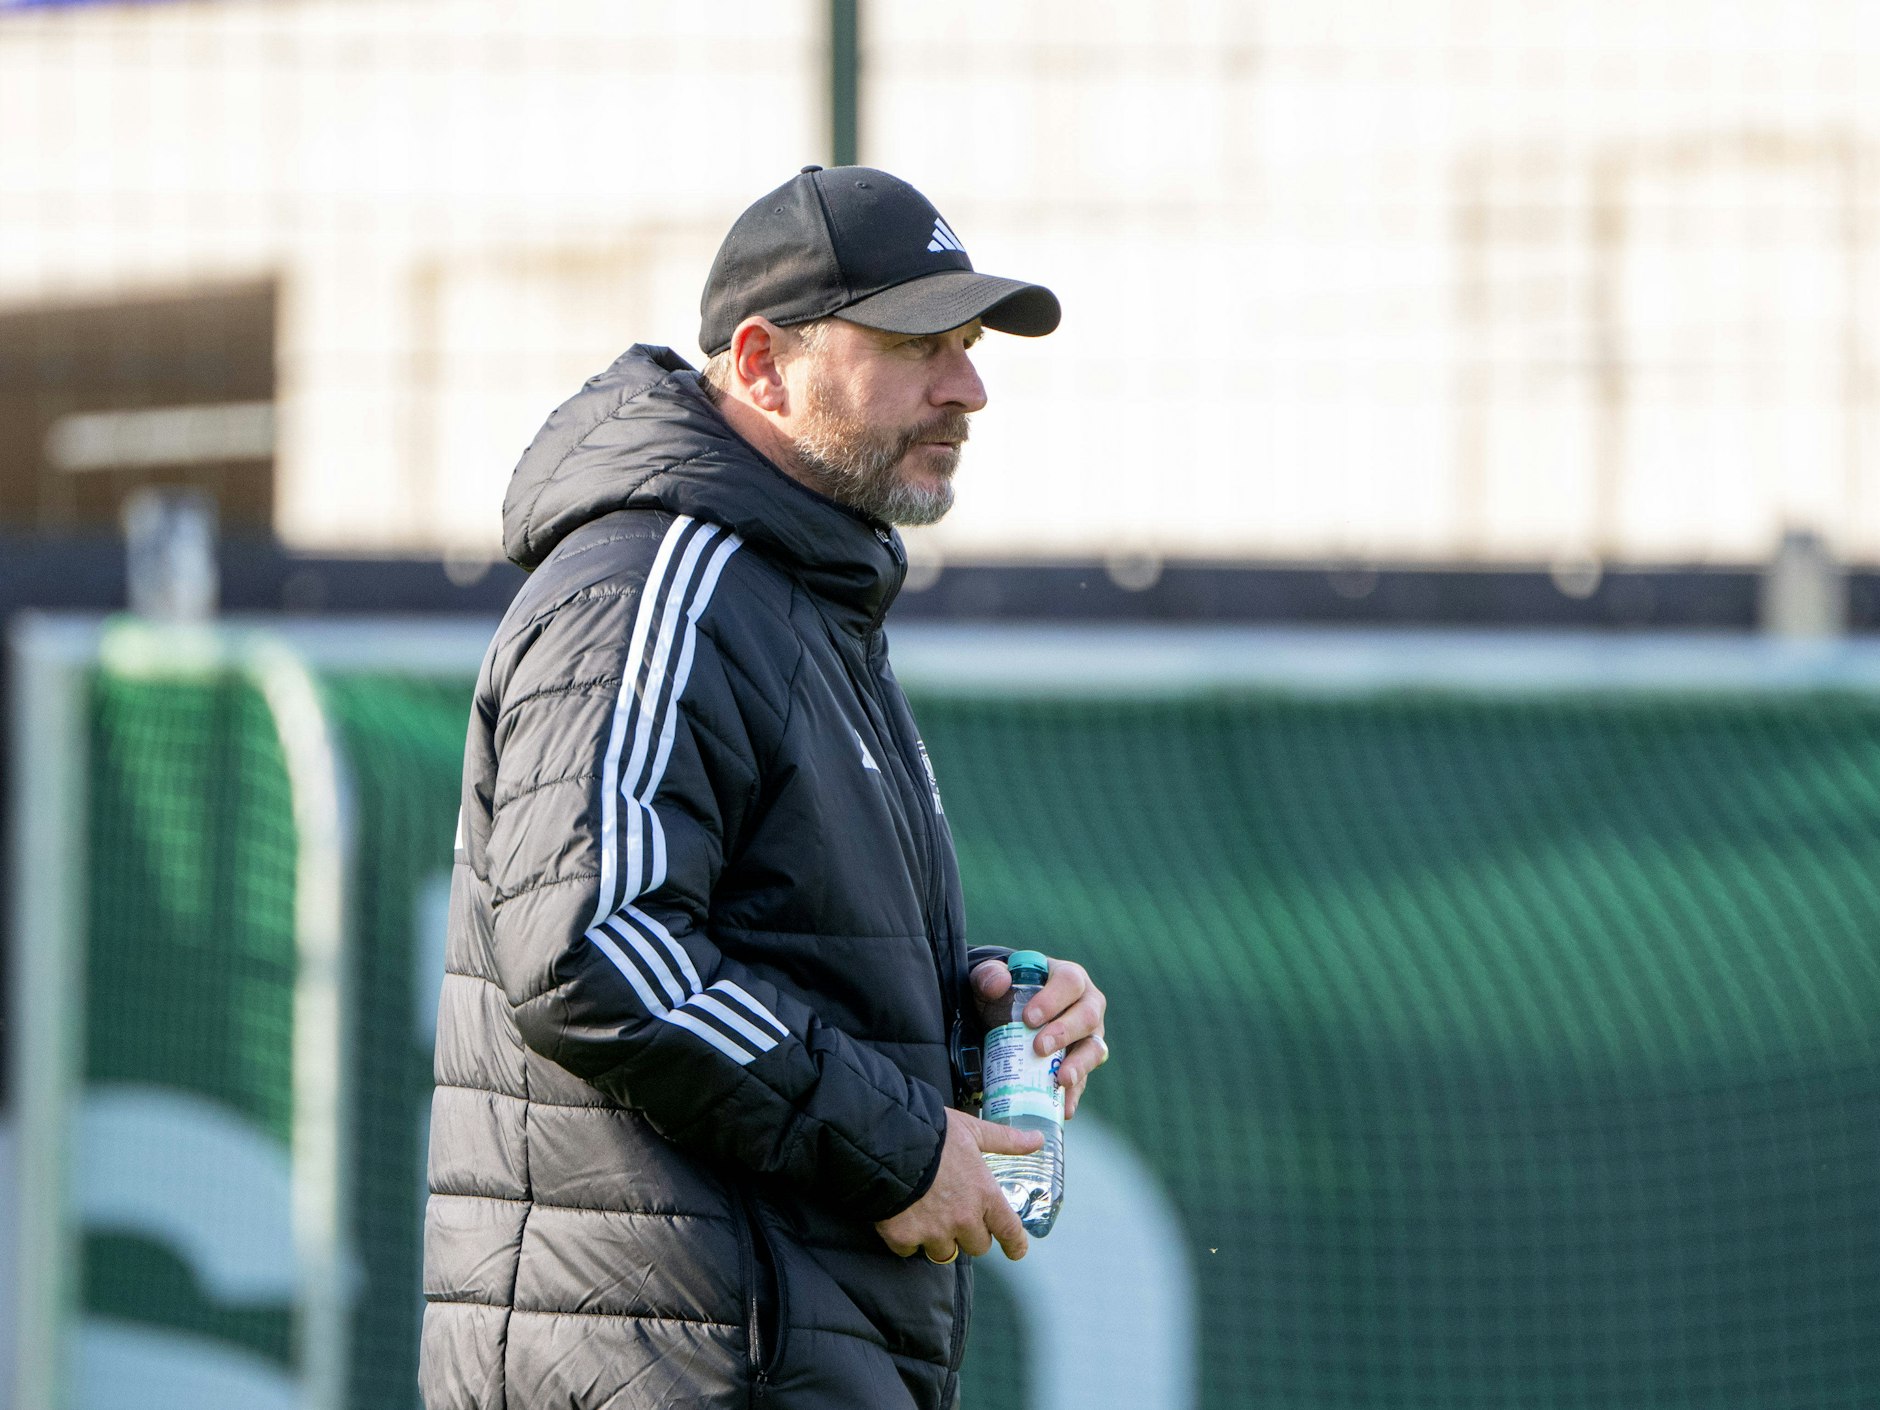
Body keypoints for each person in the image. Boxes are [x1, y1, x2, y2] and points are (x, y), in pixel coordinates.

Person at [420, 165, 1110, 1410]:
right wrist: (902, 1148)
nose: (967, 388)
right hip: (674, 1368)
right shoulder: (651, 585)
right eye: (914, 344)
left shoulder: (788, 594)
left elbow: (764, 942)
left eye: (963, 345)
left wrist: (982, 1020)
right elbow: (594, 950)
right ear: (759, 362)